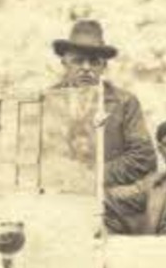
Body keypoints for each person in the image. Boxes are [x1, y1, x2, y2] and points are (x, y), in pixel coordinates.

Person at [51, 19, 157, 187]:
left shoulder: (124, 102)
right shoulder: (48, 102)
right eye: (78, 61)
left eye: (94, 62)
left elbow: (144, 158)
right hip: (58, 192)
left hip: (106, 196)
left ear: (104, 66)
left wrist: (93, 175)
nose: (86, 68)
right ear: (65, 63)